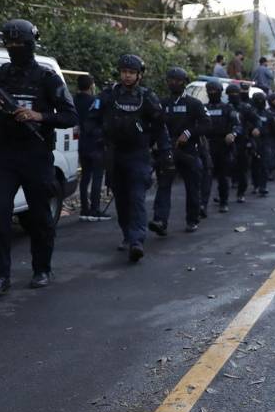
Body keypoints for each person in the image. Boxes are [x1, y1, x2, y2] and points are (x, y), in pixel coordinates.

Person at [0, 19, 77, 294]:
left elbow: (70, 115)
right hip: (5, 156)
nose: (15, 48)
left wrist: (39, 116)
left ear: (31, 44)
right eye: (11, 43)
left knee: (40, 218)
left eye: (20, 43)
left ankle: (42, 269)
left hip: (36, 155)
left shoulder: (47, 78)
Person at [88, 54, 168, 262]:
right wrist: (100, 141)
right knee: (122, 199)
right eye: (124, 72)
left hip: (139, 155)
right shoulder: (107, 96)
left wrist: (165, 152)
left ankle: (137, 241)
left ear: (139, 75)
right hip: (114, 155)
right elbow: (91, 121)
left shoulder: (147, 97)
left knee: (136, 198)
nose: (127, 76)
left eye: (131, 73)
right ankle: (127, 235)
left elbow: (160, 127)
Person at [151, 67, 208, 235]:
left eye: (177, 81)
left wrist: (189, 133)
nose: (173, 83)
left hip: (189, 152)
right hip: (168, 151)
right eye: (170, 80)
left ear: (184, 82)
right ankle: (160, 220)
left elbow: (206, 123)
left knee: (192, 187)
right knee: (163, 186)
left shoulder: (194, 104)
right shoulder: (162, 104)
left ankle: (192, 219)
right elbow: (154, 126)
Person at [73, 74, 109, 222]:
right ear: (91, 85)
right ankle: (95, 209)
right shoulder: (95, 101)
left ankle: (84, 209)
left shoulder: (74, 101)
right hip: (96, 142)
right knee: (97, 176)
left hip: (82, 142)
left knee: (85, 176)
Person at [203, 81, 235, 214]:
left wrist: (232, 134)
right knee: (206, 176)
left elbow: (236, 125)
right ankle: (202, 204)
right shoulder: (203, 108)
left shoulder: (228, 108)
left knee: (223, 177)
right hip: (207, 145)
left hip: (223, 145)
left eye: (214, 90)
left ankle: (223, 201)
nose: (212, 93)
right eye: (209, 90)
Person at [226, 84, 256, 202]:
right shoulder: (226, 107)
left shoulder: (246, 108)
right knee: (225, 169)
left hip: (242, 141)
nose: (232, 96)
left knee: (242, 168)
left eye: (234, 94)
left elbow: (256, 120)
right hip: (227, 140)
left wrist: (254, 129)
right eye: (230, 94)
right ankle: (223, 193)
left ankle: (241, 192)